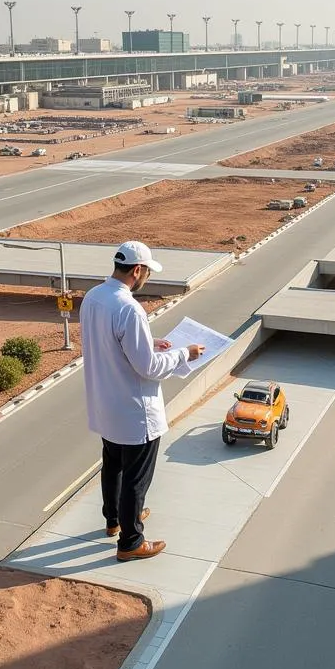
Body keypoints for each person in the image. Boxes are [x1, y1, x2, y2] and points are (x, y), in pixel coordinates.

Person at [81, 240, 204, 561]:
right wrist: (183, 353)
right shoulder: (129, 308)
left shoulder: (93, 298)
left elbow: (112, 342)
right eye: (147, 271)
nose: (147, 276)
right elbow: (147, 367)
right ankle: (131, 541)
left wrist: (150, 342)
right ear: (137, 270)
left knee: (113, 468)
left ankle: (114, 520)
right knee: (136, 478)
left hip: (106, 406)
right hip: (135, 413)